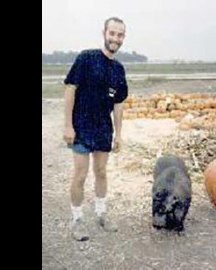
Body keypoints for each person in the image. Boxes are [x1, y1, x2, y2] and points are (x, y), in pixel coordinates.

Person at [63, 17, 128, 241]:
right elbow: (70, 88)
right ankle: (77, 220)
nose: (115, 39)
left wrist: (119, 134)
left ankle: (101, 214)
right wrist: (67, 125)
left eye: (120, 35)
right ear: (104, 33)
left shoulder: (119, 69)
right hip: (81, 126)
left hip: (103, 129)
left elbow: (119, 104)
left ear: (123, 38)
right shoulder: (86, 58)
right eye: (112, 33)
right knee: (80, 175)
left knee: (101, 172)